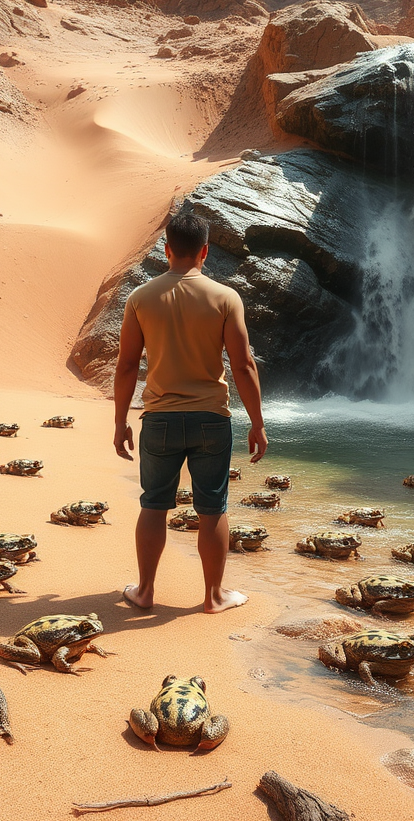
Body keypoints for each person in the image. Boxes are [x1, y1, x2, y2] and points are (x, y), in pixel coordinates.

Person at [113, 211, 268, 613]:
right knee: (212, 507)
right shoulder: (225, 297)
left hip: (160, 419)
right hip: (211, 419)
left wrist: (119, 423)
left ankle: (145, 591)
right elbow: (243, 364)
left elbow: (127, 365)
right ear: (205, 251)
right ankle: (214, 597)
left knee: (154, 504)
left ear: (166, 250)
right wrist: (257, 422)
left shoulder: (140, 297)